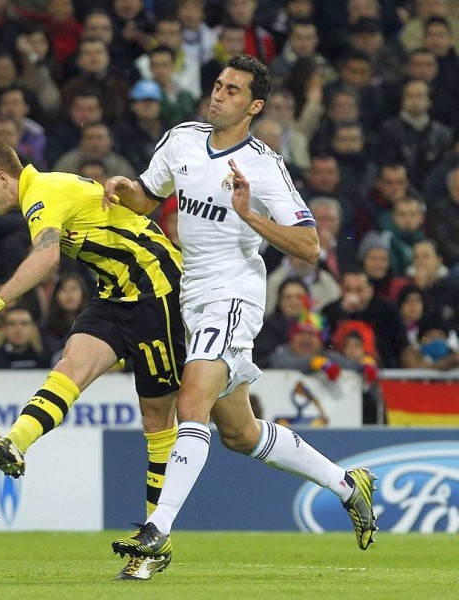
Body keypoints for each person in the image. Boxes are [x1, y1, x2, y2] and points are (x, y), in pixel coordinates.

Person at [103, 55, 378, 571]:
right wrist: (126, 190)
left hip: (234, 295)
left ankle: (157, 531)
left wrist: (249, 214)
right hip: (193, 295)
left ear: (253, 106)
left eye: (232, 91)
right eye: (217, 85)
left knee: (191, 402)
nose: (219, 95)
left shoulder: (264, 165)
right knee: (240, 433)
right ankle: (347, 484)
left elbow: (309, 245)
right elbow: (148, 197)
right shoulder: (182, 138)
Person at [0, 135, 184, 581]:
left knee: (157, 421)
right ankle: (14, 443)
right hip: (114, 294)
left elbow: (46, 256)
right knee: (69, 368)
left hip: (156, 290)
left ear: (2, 178)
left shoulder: (42, 193)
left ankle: (157, 539)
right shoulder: (44, 192)